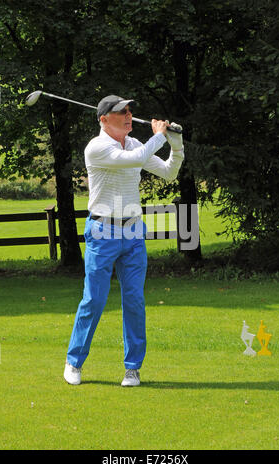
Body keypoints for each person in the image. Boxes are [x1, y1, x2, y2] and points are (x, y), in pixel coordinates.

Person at [64, 94, 184, 386]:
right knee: (94, 299)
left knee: (134, 300)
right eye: (121, 112)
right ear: (104, 119)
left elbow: (169, 172)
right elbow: (137, 159)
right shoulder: (96, 147)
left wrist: (176, 144)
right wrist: (158, 135)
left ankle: (133, 368)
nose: (128, 115)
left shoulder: (133, 144)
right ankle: (74, 362)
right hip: (102, 231)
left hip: (132, 231)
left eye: (129, 110)